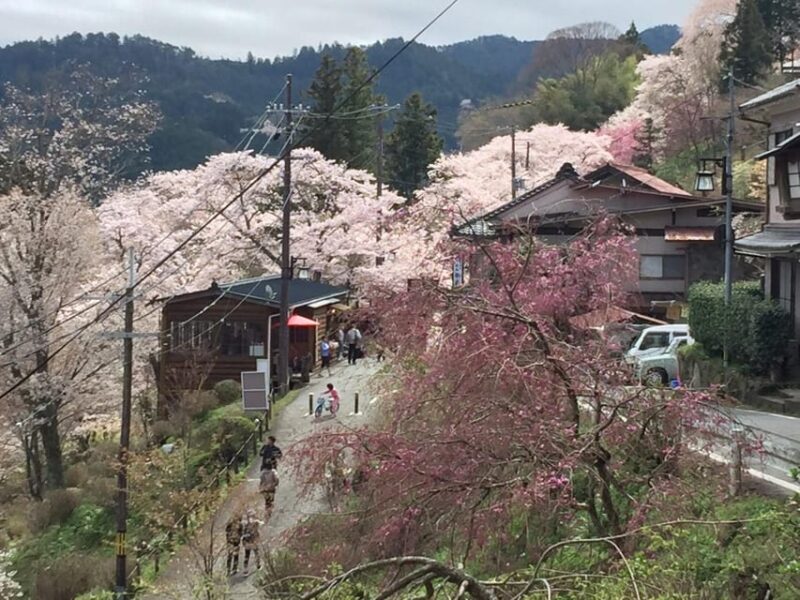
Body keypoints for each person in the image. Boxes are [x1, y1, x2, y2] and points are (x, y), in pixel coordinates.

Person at [225, 511, 243, 575]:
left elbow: (226, 530)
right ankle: (234, 569)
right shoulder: (239, 524)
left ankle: (228, 570)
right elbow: (241, 533)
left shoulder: (230, 523)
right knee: (235, 555)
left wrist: (228, 538)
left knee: (230, 556)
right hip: (236, 542)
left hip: (230, 541)